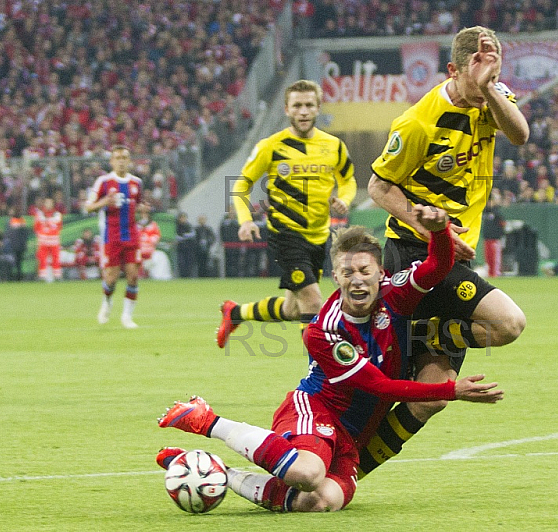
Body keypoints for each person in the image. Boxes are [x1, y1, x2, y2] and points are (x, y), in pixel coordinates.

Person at [157, 205, 504, 512]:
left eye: (365, 271)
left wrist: (440, 228)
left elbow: (438, 264)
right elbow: (380, 387)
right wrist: (449, 390)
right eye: (347, 273)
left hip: (352, 436)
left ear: (380, 273)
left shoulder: (394, 294)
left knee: (320, 501)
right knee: (307, 474)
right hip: (318, 410)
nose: (357, 280)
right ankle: (206, 420)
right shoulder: (323, 331)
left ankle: (217, 472)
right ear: (335, 277)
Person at [363, 26, 529, 478]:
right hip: (416, 252)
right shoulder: (418, 121)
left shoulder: (494, 98)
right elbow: (378, 186)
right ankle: (434, 333)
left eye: (494, 65)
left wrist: (491, 86)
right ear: (454, 70)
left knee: (433, 396)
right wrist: (434, 231)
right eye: (478, 66)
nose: (488, 74)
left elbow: (520, 135)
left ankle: (354, 469)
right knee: (509, 323)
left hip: (453, 254)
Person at [217, 79, 357, 348]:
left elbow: (349, 179)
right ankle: (320, 375)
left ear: (317, 108)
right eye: (297, 106)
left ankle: (235, 313)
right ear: (287, 110)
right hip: (285, 235)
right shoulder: (271, 146)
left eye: (308, 105)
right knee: (313, 300)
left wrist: (346, 199)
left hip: (318, 236)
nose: (303, 111)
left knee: (294, 309)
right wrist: (245, 221)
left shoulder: (334, 146)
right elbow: (242, 184)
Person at [85, 145, 144, 329]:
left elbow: (139, 203)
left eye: (124, 157)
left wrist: (143, 209)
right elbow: (88, 206)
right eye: (117, 157)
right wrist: (104, 202)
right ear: (111, 161)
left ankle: (127, 317)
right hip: (111, 236)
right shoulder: (103, 182)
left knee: (133, 276)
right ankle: (107, 302)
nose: (121, 161)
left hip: (132, 235)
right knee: (111, 278)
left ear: (129, 161)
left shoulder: (136, 183)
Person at [33, 197, 63, 282]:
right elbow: (36, 228)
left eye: (50, 203)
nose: (48, 204)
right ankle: (42, 277)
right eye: (47, 203)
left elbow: (59, 227)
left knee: (56, 259)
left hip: (54, 241)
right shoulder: (39, 215)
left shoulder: (57, 215)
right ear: (44, 204)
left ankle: (57, 276)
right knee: (42, 259)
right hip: (43, 241)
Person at [482, 189, 505, 276]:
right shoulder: (485, 212)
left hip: (495, 239)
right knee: (488, 258)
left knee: (495, 259)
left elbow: (503, 224)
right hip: (487, 238)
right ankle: (490, 274)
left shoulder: (497, 212)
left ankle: (496, 274)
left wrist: (500, 235)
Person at [5, 206, 30, 281]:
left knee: (18, 262)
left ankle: (17, 276)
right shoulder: (21, 221)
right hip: (17, 245)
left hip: (16, 245)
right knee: (17, 262)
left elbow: (9, 234)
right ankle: (17, 276)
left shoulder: (13, 221)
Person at [137, 202, 161, 278]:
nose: (144, 215)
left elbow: (157, 236)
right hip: (138, 249)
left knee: (148, 266)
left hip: (149, 250)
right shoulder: (135, 224)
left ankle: (147, 275)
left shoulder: (153, 225)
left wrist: (150, 240)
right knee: (138, 265)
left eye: (146, 213)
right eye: (142, 213)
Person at [219, 208, 242, 277]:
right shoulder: (224, 223)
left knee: (236, 260)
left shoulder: (238, 222)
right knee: (228, 260)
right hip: (227, 245)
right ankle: (228, 275)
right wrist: (223, 241)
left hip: (237, 244)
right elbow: (221, 232)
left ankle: (236, 275)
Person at [175, 212, 197, 278]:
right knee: (181, 263)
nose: (183, 219)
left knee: (189, 263)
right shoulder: (177, 226)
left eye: (184, 217)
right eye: (181, 217)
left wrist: (186, 236)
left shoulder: (189, 226)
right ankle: (182, 276)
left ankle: (189, 276)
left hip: (189, 248)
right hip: (180, 248)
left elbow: (193, 234)